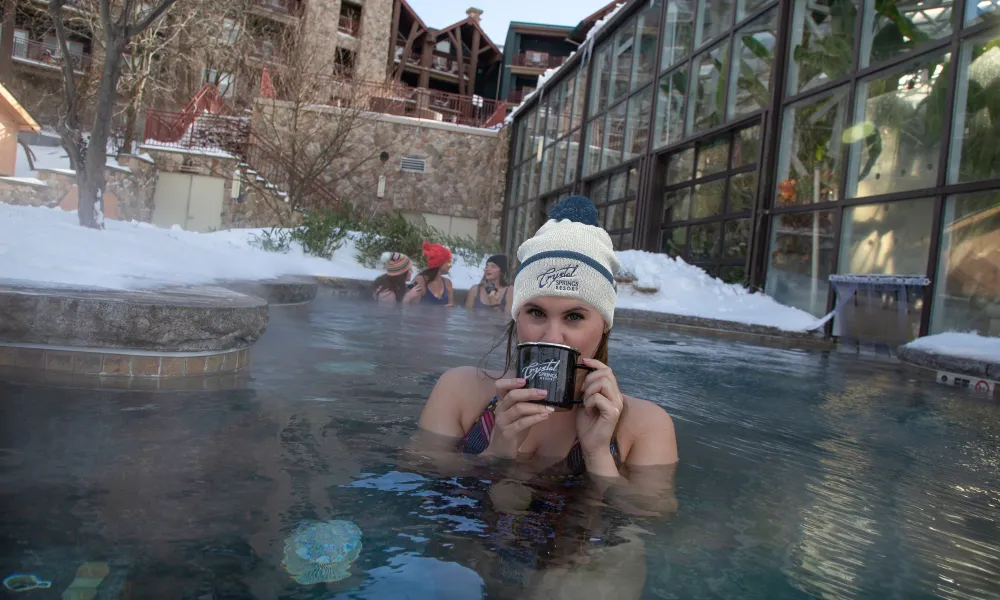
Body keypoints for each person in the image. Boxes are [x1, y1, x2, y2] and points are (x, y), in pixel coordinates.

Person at [414, 195, 678, 512]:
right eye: (536, 313)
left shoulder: (644, 425)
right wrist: (496, 452)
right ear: (517, 316)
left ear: (604, 325)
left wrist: (597, 456)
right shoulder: (459, 391)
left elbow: (655, 516)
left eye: (574, 317)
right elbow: (416, 477)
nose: (553, 337)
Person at [403, 242, 454, 307]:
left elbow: (450, 310)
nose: (450, 265)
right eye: (448, 262)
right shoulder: (420, 281)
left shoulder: (448, 283)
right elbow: (411, 309)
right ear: (439, 264)